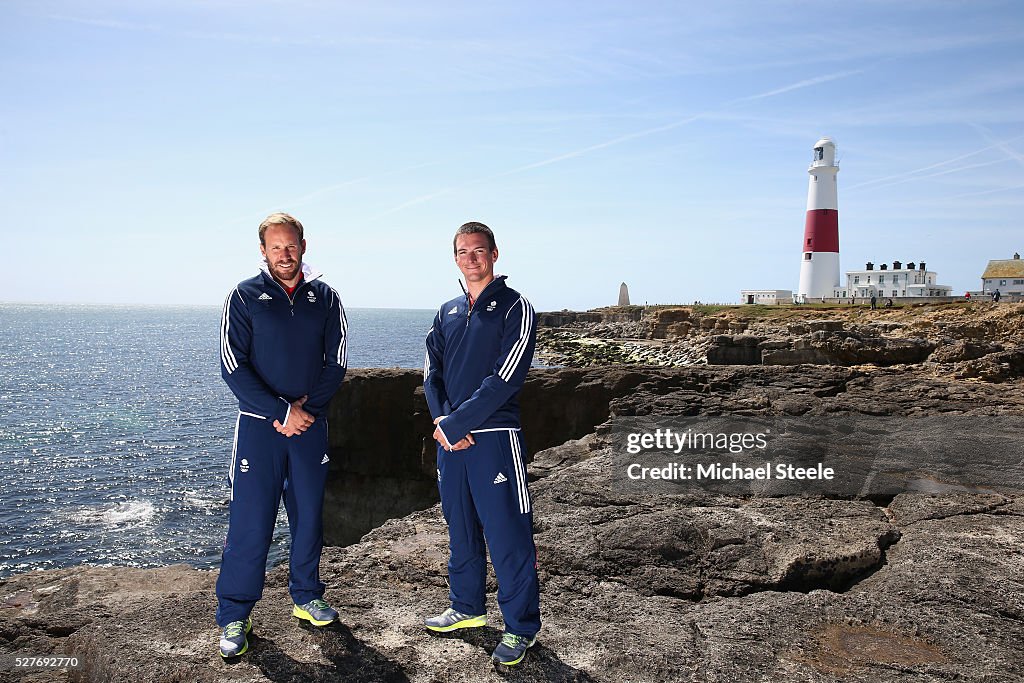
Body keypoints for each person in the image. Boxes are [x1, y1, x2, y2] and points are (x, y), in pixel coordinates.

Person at [216, 212, 348, 658]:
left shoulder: (326, 298)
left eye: (291, 245)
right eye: (276, 247)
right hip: (259, 430)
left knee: (309, 517)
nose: (285, 254)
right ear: (263, 251)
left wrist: (304, 412)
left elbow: (337, 363)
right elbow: (232, 364)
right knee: (251, 523)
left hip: (309, 428)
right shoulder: (244, 296)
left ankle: (307, 596)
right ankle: (235, 615)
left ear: (303, 246)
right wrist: (279, 410)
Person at [422, 222, 540, 667]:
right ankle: (467, 608)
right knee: (461, 528)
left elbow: (506, 378)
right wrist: (442, 420)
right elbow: (430, 370)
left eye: (478, 250)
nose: (470, 258)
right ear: (455, 258)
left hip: (495, 439)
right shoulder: (447, 311)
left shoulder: (515, 307)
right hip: (450, 441)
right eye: (462, 252)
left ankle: (521, 628)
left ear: (494, 254)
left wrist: (458, 422)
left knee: (508, 533)